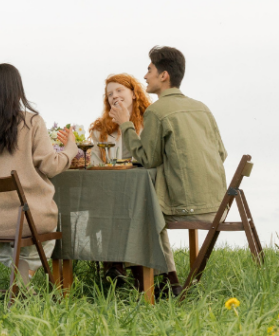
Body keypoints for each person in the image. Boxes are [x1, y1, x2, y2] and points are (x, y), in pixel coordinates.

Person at [109, 45, 227, 298]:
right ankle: (162, 281)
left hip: (187, 206)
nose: (145, 76)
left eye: (149, 70)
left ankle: (152, 283)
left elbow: (146, 159)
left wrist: (125, 124)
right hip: (218, 204)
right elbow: (222, 154)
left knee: (141, 211)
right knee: (145, 204)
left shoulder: (157, 111)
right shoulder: (202, 108)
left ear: (163, 75)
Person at [0, 63, 77, 284]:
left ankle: (19, 276)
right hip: (30, 220)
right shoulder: (32, 122)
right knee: (46, 232)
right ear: (17, 89)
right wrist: (71, 149)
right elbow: (50, 167)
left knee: (8, 235)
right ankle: (25, 275)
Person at [88, 73, 150, 166]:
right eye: (110, 94)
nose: (114, 96)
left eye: (119, 90)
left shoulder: (149, 122)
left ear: (133, 94)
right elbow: (95, 164)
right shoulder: (100, 130)